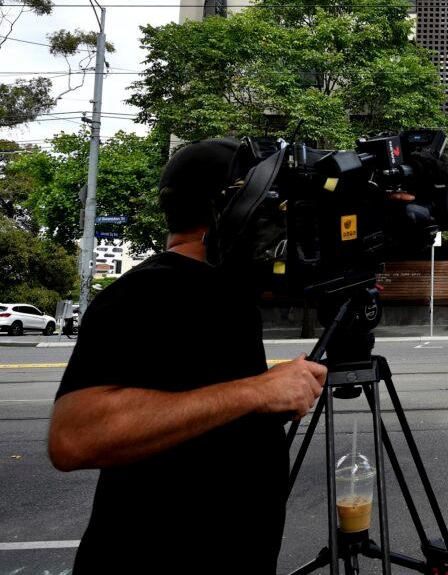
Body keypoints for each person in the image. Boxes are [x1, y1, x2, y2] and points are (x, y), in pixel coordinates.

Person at [48, 139, 328, 574]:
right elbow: (76, 436)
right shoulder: (148, 292)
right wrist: (257, 392)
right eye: (270, 210)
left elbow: (199, 400)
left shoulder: (222, 292)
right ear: (234, 212)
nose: (280, 227)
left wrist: (265, 404)